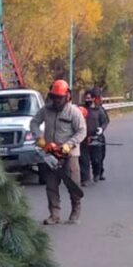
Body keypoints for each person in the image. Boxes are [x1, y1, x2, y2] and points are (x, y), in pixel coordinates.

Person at [31, 79, 87, 225]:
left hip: (70, 154)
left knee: (73, 185)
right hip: (51, 153)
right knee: (51, 185)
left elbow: (82, 131)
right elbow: (34, 122)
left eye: (59, 98)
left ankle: (75, 211)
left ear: (67, 96)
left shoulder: (74, 112)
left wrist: (69, 145)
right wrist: (39, 138)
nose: (56, 100)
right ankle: (54, 214)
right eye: (54, 97)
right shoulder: (46, 110)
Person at [83, 89, 110, 181]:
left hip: (96, 138)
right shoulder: (81, 109)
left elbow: (105, 121)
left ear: (93, 99)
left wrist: (101, 129)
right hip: (84, 138)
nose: (87, 100)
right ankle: (85, 178)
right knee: (84, 160)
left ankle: (97, 173)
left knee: (97, 159)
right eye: (86, 98)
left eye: (89, 98)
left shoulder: (99, 110)